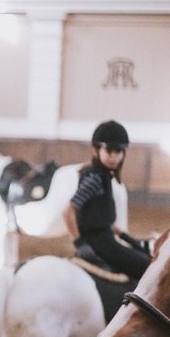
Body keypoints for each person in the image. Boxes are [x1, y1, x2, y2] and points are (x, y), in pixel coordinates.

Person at [62, 120, 151, 280]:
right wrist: (79, 244)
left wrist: (131, 240)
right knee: (146, 267)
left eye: (119, 151)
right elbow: (67, 212)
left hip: (106, 240)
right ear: (95, 151)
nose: (115, 156)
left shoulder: (105, 176)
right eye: (109, 151)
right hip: (98, 244)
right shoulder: (94, 179)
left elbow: (105, 223)